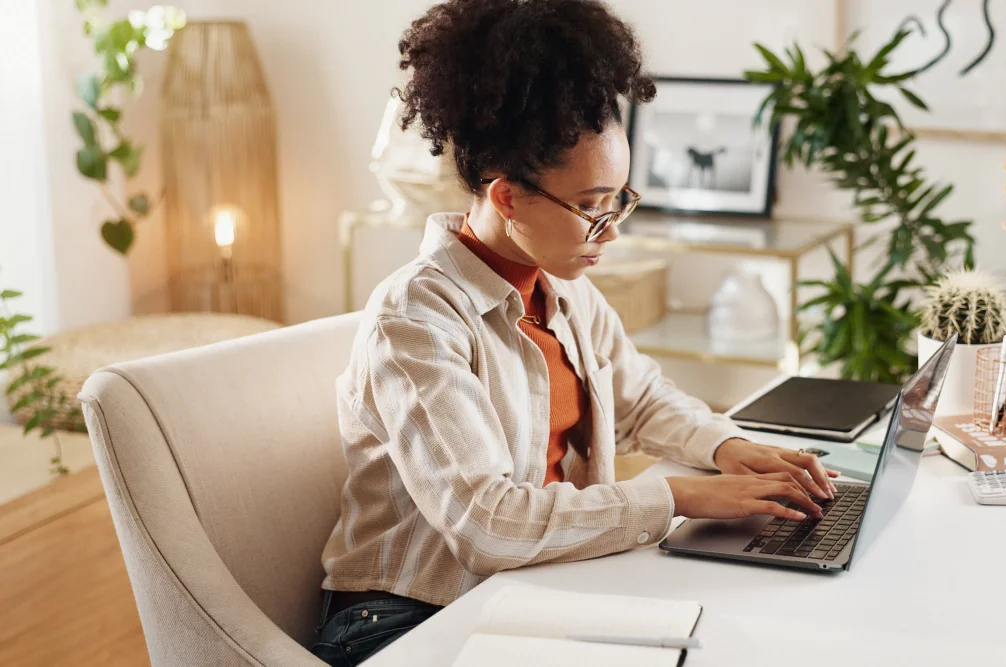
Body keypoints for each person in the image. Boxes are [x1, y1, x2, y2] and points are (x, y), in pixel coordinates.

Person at [312, 1, 838, 663]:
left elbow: (640, 398)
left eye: (619, 199)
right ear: (506, 197)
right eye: (592, 207)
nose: (612, 229)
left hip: (526, 592)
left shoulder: (566, 290)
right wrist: (677, 494)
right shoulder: (414, 320)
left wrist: (729, 446)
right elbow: (486, 525)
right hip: (400, 620)